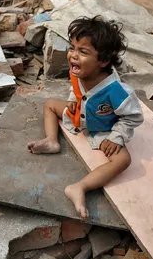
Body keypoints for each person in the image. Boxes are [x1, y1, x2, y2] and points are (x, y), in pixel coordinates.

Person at [27, 16, 143, 219]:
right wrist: (73, 101)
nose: (73, 56)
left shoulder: (117, 91)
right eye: (72, 48)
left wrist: (116, 136)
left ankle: (80, 187)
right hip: (78, 116)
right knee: (50, 105)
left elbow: (133, 118)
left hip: (103, 129)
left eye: (83, 52)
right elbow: (76, 90)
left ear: (104, 60)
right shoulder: (78, 72)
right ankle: (52, 141)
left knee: (124, 160)